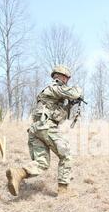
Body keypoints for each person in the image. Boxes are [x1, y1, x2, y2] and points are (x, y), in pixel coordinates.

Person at [6, 65, 83, 197]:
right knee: (66, 155)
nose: (67, 81)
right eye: (66, 78)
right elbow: (75, 93)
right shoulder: (55, 88)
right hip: (46, 127)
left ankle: (18, 173)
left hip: (36, 129)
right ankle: (64, 191)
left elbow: (59, 113)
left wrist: (70, 104)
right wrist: (79, 91)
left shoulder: (50, 92)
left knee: (42, 163)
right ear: (62, 77)